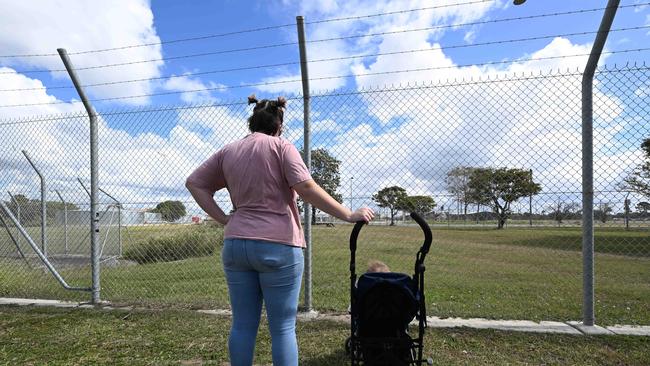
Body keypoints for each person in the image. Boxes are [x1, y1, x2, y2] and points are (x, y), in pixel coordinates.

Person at [185, 94, 374, 366]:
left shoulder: (228, 151)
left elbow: (195, 183)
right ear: (279, 125)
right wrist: (347, 214)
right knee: (283, 328)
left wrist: (224, 219)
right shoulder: (283, 147)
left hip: (236, 244)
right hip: (279, 245)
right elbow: (306, 188)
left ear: (252, 123)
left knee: (242, 325)